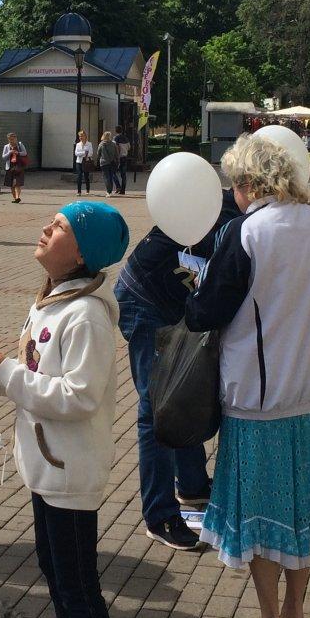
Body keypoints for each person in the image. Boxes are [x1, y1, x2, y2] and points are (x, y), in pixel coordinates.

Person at [0, 202, 132, 618]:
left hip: (70, 472)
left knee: (78, 588)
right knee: (55, 568)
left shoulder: (86, 315)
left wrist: (8, 377)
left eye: (61, 227)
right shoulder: (54, 299)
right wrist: (1, 374)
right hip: (47, 468)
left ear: (84, 251)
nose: (46, 228)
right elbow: (35, 368)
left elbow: (77, 397)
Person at [184, 135, 310, 618]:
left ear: (249, 184)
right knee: (301, 516)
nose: (234, 194)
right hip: (307, 392)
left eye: (235, 184)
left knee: (259, 520)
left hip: (256, 396)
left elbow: (206, 313)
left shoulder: (247, 231)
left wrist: (193, 287)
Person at [114, 187, 239, 551]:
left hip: (176, 303)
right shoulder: (224, 214)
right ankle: (160, 515)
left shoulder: (236, 214)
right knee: (158, 406)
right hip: (145, 299)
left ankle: (193, 485)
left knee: (186, 391)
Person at [3, 132, 28, 203]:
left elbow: (25, 153)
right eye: (10, 139)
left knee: (18, 183)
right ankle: (14, 198)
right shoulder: (6, 147)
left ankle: (17, 197)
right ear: (8, 139)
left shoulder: (20, 145)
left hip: (19, 166)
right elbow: (3, 157)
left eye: (13, 139)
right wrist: (9, 152)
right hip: (10, 166)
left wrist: (18, 153)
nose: (12, 141)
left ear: (16, 139)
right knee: (11, 184)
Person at [96, 131, 120, 196]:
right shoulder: (113, 144)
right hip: (112, 163)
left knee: (106, 177)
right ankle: (110, 191)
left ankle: (108, 191)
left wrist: (98, 159)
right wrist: (118, 161)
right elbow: (117, 154)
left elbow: (98, 153)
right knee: (110, 176)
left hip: (104, 163)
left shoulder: (101, 144)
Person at [74, 130, 94, 195]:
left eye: (82, 136)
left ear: (85, 136)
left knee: (86, 176)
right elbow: (76, 153)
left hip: (86, 162)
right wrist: (84, 153)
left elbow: (90, 153)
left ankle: (87, 190)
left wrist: (85, 154)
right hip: (79, 162)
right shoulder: (78, 144)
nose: (81, 137)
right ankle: (79, 191)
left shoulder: (89, 144)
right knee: (79, 176)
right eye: (80, 136)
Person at [115, 131, 130, 195]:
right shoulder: (126, 138)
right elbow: (129, 147)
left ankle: (118, 186)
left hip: (118, 158)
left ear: (116, 130)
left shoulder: (116, 138)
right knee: (123, 175)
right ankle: (123, 190)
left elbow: (115, 148)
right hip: (125, 157)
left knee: (113, 173)